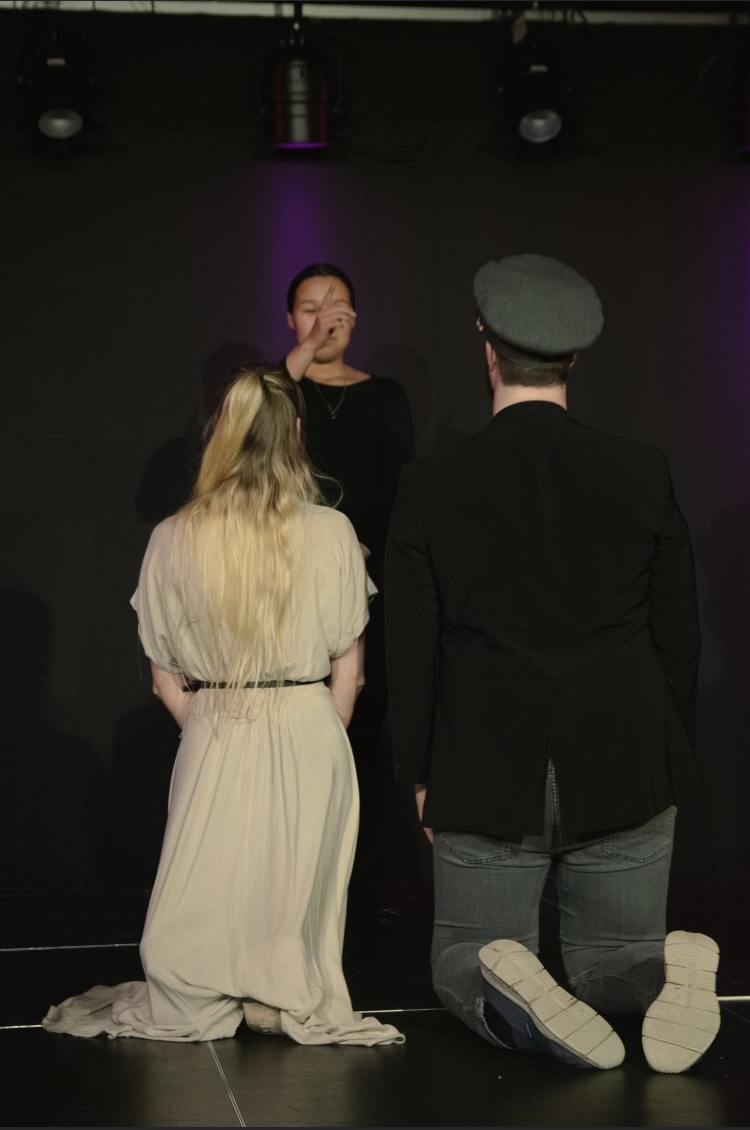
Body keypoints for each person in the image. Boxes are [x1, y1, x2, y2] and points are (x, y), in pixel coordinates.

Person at [384, 253, 719, 1074]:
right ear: (573, 357)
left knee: (465, 961)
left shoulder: (432, 482)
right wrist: (666, 748)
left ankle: (520, 993)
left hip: (487, 761)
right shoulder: (641, 469)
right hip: (628, 752)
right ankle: (661, 976)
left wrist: (420, 771)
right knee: (611, 963)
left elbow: (410, 647)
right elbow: (679, 635)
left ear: (488, 352)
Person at [43, 367, 404, 1047]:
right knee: (293, 881)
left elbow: (165, 679)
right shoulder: (332, 531)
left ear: (222, 436)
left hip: (215, 724)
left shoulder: (172, 536)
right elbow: (349, 670)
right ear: (297, 433)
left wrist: (213, 732)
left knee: (213, 877)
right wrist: (316, 734)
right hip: (308, 723)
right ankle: (278, 992)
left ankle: (214, 988)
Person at [284, 263, 415, 907]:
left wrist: (360, 550)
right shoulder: (282, 390)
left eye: (334, 306)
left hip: (370, 580)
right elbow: (255, 425)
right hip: (291, 582)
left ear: (356, 317)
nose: (324, 318)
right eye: (310, 308)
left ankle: (363, 885)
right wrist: (307, 352)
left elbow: (402, 485)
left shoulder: (384, 395)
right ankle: (297, 884)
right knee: (298, 728)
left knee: (363, 726)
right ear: (291, 320)